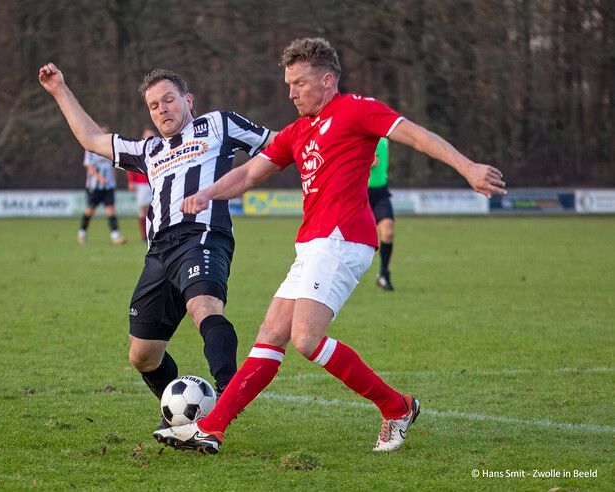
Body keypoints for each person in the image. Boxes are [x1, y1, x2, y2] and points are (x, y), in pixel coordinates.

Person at [154, 37, 506, 454]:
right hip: (312, 245)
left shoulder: (356, 109)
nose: (290, 93)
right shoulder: (297, 132)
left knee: (306, 338)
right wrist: (208, 194)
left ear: (326, 80)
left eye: (299, 83)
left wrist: (468, 168)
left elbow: (415, 135)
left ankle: (396, 407)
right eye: (287, 84)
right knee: (270, 336)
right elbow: (248, 175)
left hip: (344, 239)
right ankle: (212, 429)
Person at [39, 63, 275, 426]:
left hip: (202, 236)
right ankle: (182, 417)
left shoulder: (219, 124)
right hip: (158, 252)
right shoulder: (148, 150)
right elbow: (91, 139)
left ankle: (228, 396)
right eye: (154, 105)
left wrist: (338, 151)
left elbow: (280, 143)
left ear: (188, 100)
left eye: (169, 100)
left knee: (204, 307)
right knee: (143, 355)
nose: (162, 109)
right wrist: (59, 90)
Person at [77, 125, 127, 246]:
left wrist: (113, 181)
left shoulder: (109, 147)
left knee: (110, 209)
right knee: (90, 210)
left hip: (108, 186)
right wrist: (99, 178)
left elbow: (113, 166)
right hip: (94, 186)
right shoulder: (90, 148)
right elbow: (89, 166)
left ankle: (115, 236)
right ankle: (82, 233)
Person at [368, 137, 395, 290]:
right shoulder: (358, 129)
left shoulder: (385, 133)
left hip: (380, 192)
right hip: (358, 192)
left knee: (388, 230)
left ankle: (384, 274)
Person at [126, 129, 156, 242]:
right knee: (143, 209)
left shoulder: (160, 149)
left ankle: (154, 233)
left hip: (154, 184)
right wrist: (131, 181)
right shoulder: (139, 149)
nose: (150, 138)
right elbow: (130, 167)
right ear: (143, 136)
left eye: (152, 136)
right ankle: (144, 235)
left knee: (155, 209)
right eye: (148, 136)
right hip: (142, 184)